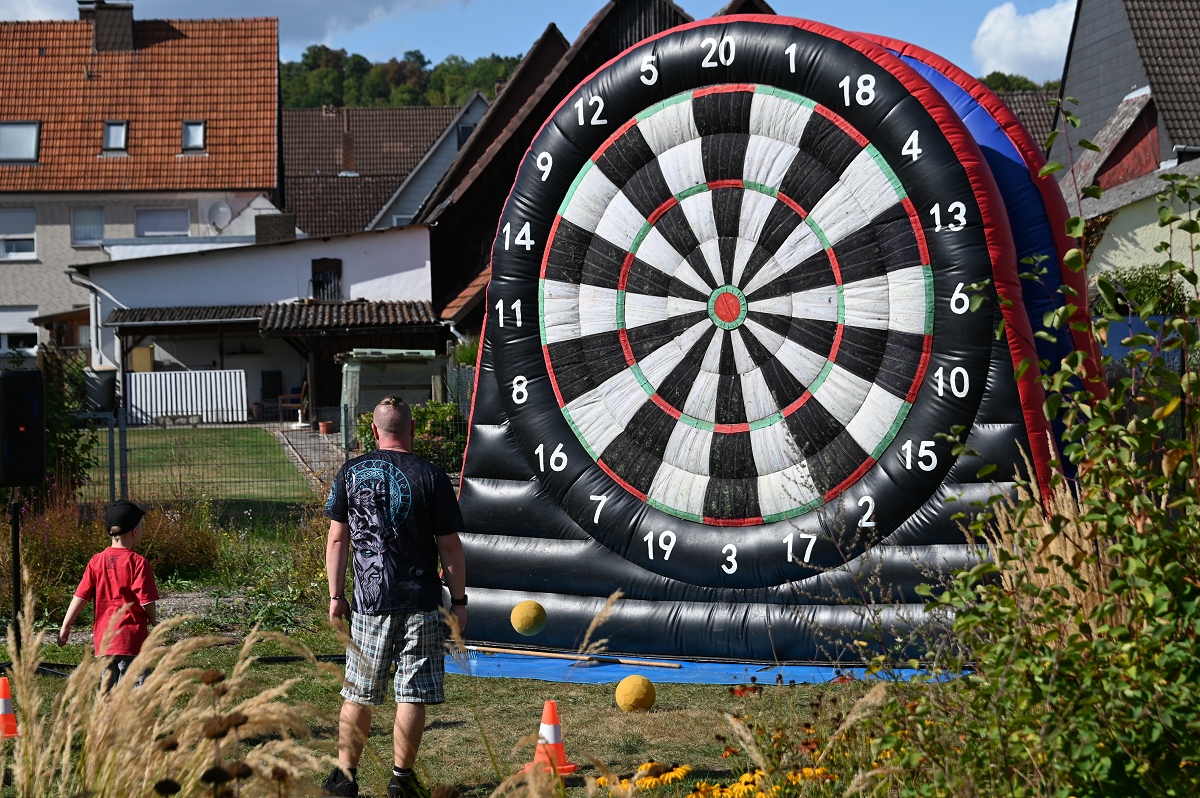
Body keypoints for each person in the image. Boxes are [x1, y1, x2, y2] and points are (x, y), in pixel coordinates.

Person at [323, 396, 467, 798]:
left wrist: (336, 596)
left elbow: (337, 539)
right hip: (421, 600)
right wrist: (459, 602)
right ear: (412, 429)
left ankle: (344, 779)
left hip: (370, 603)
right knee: (412, 692)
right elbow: (450, 546)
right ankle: (401, 780)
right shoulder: (432, 475)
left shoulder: (350, 472)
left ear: (374, 431)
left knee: (358, 691)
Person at [58, 499, 159, 691]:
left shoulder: (96, 561)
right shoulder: (138, 562)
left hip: (105, 642)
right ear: (135, 531)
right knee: (134, 693)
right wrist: (153, 619)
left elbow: (80, 597)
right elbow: (146, 601)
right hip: (132, 642)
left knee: (107, 692)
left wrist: (66, 625)